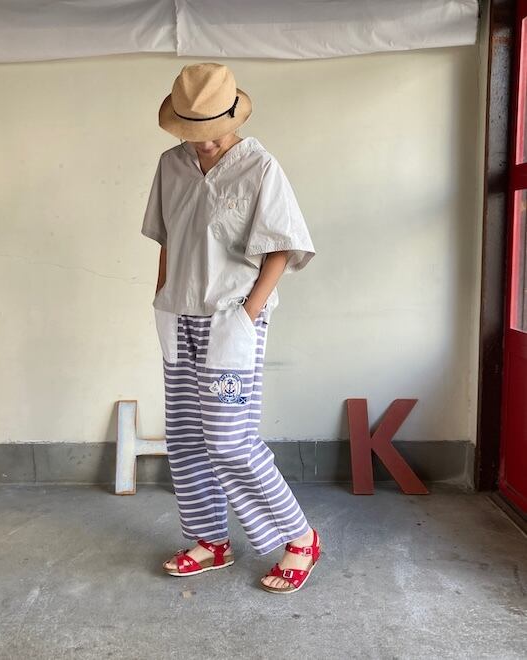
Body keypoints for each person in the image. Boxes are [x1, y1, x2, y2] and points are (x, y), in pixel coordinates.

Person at [141, 62, 321, 594]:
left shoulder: (260, 167)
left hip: (232, 319)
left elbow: (282, 247)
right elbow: (167, 237)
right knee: (185, 438)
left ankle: (301, 537)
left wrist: (248, 315)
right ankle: (210, 539)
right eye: (191, 131)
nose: (203, 142)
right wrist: (161, 297)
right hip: (179, 316)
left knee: (229, 441)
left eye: (213, 131)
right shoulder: (170, 166)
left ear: (234, 117)